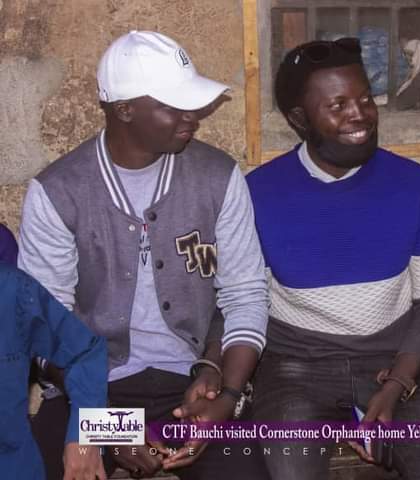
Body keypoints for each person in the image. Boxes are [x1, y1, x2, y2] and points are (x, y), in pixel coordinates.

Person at [18, 30, 269, 479]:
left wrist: (228, 395)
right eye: (174, 105)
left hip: (194, 381)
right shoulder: (58, 192)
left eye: (193, 103)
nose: (192, 116)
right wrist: (108, 426)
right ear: (124, 110)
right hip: (90, 389)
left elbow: (245, 294)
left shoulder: (218, 177)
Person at [245, 38, 420, 480]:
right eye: (337, 105)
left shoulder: (413, 184)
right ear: (299, 119)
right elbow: (242, 302)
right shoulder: (257, 193)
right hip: (295, 367)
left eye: (366, 98)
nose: (360, 114)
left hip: (390, 363)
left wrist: (398, 384)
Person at [0, 263, 107, 480]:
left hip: (160, 406)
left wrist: (88, 436)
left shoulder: (13, 289)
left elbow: (84, 351)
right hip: (115, 409)